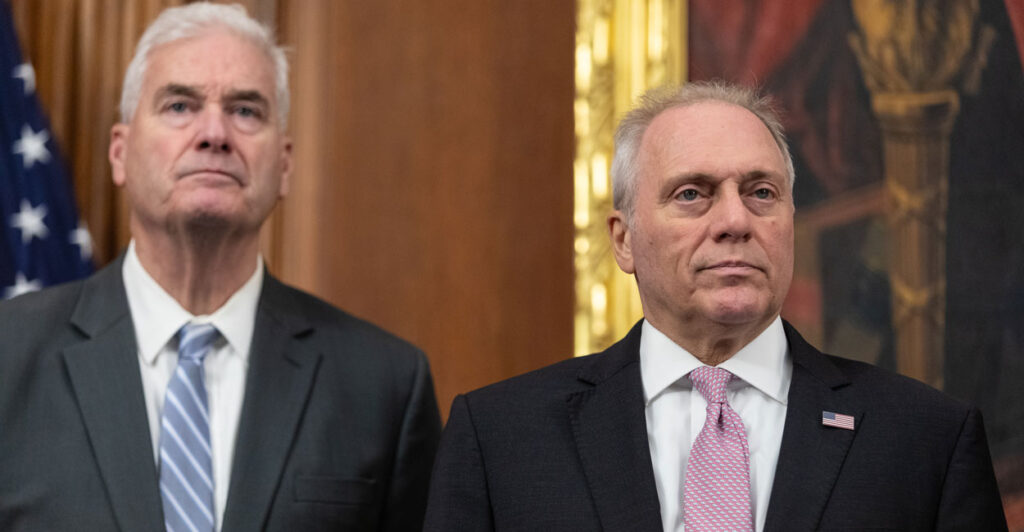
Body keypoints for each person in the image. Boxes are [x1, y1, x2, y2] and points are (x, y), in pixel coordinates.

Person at [423, 81, 1007, 531]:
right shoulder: (501, 438)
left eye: (761, 193)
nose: (734, 221)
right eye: (692, 194)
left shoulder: (927, 439)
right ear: (624, 240)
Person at [0, 3, 440, 531]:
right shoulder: (9, 355)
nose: (215, 133)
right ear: (120, 153)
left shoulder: (384, 384)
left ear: (284, 165)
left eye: (246, 111)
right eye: (180, 105)